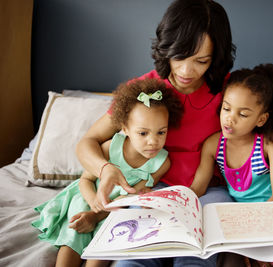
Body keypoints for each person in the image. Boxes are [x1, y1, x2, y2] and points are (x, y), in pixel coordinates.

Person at [76, 0, 273, 265]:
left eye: (201, 61)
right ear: (166, 48)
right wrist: (104, 168)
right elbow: (88, 141)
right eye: (179, 57)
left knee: (196, 260)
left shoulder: (232, 92)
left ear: (216, 58)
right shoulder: (144, 92)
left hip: (209, 194)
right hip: (153, 190)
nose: (187, 71)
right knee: (133, 260)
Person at [32, 78, 183, 267]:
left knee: (104, 248)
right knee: (74, 237)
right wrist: (93, 205)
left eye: (161, 132)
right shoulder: (110, 147)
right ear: (125, 129)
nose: (153, 142)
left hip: (116, 210)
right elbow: (85, 180)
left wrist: (99, 215)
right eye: (143, 133)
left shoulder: (161, 163)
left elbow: (132, 195)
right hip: (88, 198)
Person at [190, 63, 273, 267]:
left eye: (243, 114)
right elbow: (197, 188)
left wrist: (258, 234)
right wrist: (175, 204)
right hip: (244, 217)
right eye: (226, 108)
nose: (230, 118)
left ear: (261, 119)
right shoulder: (212, 145)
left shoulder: (270, 142)